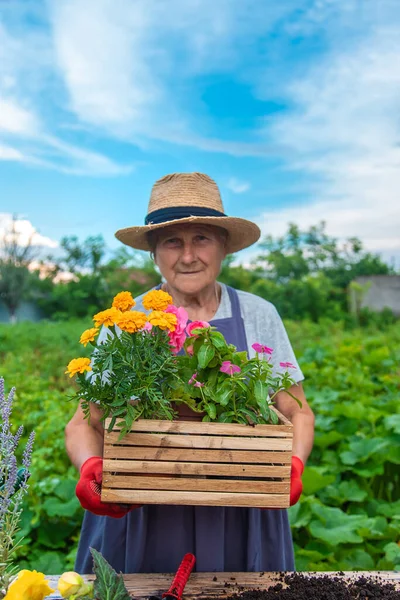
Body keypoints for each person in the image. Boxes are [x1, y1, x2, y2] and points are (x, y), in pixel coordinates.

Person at [66, 172, 315, 574]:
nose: (187, 256)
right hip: (142, 509)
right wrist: (91, 467)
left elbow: (297, 409)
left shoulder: (257, 314)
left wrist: (294, 464)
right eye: (171, 241)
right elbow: (84, 420)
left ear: (223, 247)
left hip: (240, 508)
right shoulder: (126, 321)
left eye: (201, 238)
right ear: (152, 251)